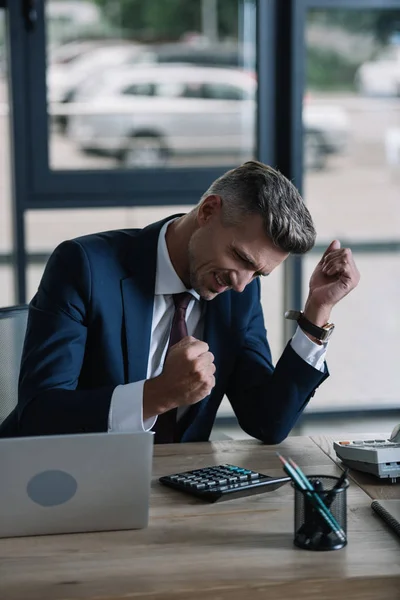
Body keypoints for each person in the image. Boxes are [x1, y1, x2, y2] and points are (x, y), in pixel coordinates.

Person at [0, 161, 360, 442]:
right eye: (241, 258)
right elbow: (39, 414)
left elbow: (267, 421)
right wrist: (157, 395)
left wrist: (317, 312)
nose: (241, 284)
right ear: (208, 211)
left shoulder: (239, 290)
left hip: (176, 489)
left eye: (258, 274)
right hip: (65, 484)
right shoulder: (85, 266)